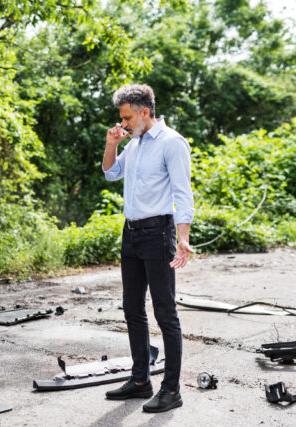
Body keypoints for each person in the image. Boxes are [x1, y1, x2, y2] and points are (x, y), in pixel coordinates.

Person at [102, 83, 194, 413]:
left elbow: (183, 195)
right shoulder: (135, 145)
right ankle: (141, 380)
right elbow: (111, 174)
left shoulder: (172, 143)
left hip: (159, 234)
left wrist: (182, 238)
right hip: (132, 235)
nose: (122, 124)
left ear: (145, 112)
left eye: (126, 118)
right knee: (132, 308)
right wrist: (111, 144)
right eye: (121, 119)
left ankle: (172, 390)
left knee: (165, 313)